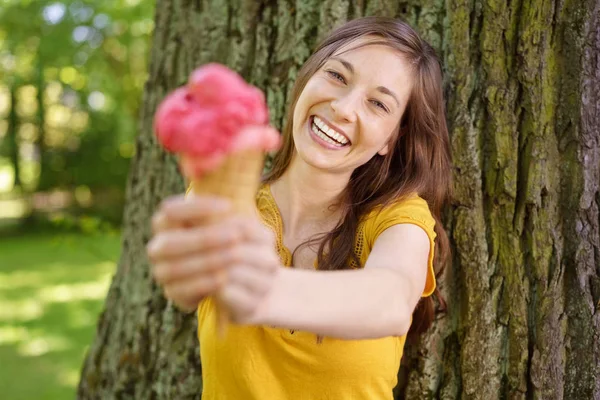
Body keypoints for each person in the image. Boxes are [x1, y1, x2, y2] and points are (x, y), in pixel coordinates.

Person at [147, 16, 452, 400]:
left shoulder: (397, 217)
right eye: (338, 76)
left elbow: (391, 298)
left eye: (377, 103)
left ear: (391, 140)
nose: (343, 108)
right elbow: (190, 289)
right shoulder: (224, 203)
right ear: (308, 77)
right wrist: (184, 273)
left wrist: (265, 292)